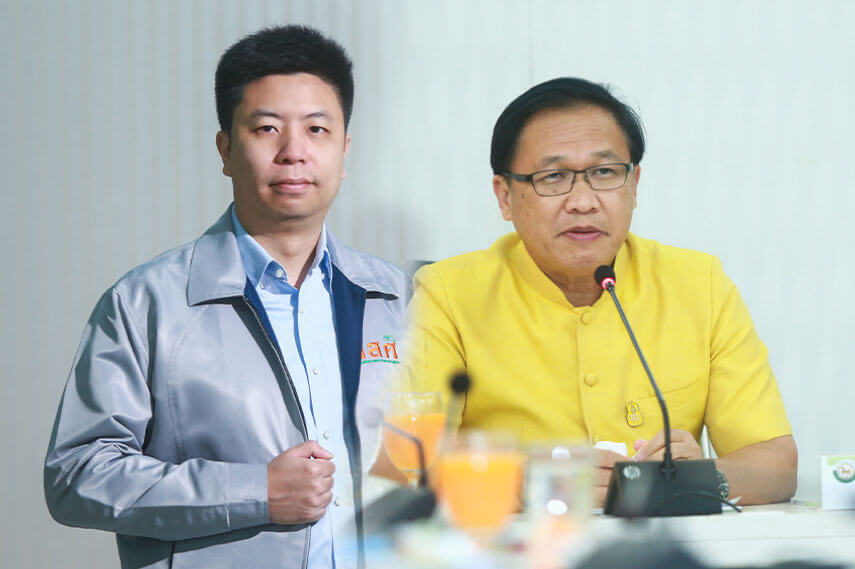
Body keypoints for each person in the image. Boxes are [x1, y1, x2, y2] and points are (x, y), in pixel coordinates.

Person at [44, 25, 409, 569]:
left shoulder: (399, 300)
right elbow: (77, 476)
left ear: (343, 150)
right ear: (226, 149)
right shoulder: (147, 303)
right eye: (266, 128)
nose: (293, 152)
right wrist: (255, 491)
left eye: (316, 129)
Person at [404, 77, 797, 506]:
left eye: (604, 173)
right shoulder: (447, 296)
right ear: (505, 197)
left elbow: (776, 467)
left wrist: (697, 478)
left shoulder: (700, 284)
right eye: (553, 177)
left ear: (634, 185)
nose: (583, 201)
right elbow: (406, 465)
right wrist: (531, 484)